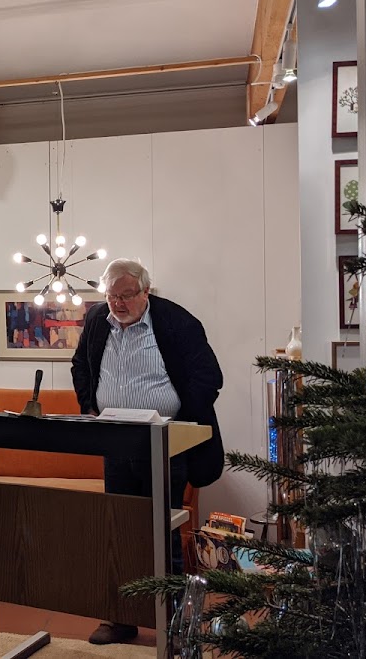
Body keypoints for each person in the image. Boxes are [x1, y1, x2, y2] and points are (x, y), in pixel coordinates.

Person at [69, 258, 224, 646]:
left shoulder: (176, 322)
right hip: (115, 441)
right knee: (119, 532)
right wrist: (88, 405)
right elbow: (80, 365)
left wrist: (183, 422)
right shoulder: (97, 320)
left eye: (126, 295)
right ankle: (121, 619)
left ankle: (173, 624)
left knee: (162, 533)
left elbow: (209, 377)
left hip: (165, 444)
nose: (118, 304)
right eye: (111, 296)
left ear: (146, 291)